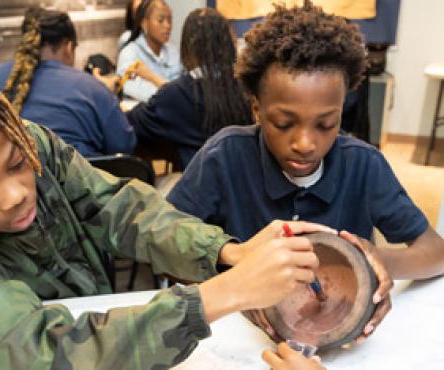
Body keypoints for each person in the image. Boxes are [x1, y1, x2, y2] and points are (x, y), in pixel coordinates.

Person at [0, 57, 334, 370]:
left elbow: (118, 206)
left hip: (106, 322)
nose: (15, 194)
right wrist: (216, 296)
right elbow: (29, 353)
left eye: (18, 166)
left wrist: (226, 250)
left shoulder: (30, 143)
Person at [168, 0, 444, 345]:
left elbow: (436, 252)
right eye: (284, 124)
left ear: (341, 113)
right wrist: (235, 285)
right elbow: (168, 249)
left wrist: (371, 263)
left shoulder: (363, 165)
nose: (305, 143)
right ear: (256, 109)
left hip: (343, 346)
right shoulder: (223, 159)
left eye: (326, 124)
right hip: (239, 340)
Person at [0, 7, 134, 157]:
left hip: (9, 179)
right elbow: (124, 146)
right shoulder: (92, 89)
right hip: (80, 179)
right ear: (68, 47)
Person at [127, 8, 252, 170]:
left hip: (201, 187)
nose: (167, 26)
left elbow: (131, 122)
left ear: (188, 45)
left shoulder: (178, 94)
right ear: (230, 42)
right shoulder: (249, 86)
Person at [116, 0, 181, 102]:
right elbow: (134, 90)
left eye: (170, 20)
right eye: (161, 20)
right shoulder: (129, 53)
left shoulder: (173, 51)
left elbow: (182, 89)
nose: (168, 26)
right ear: (145, 24)